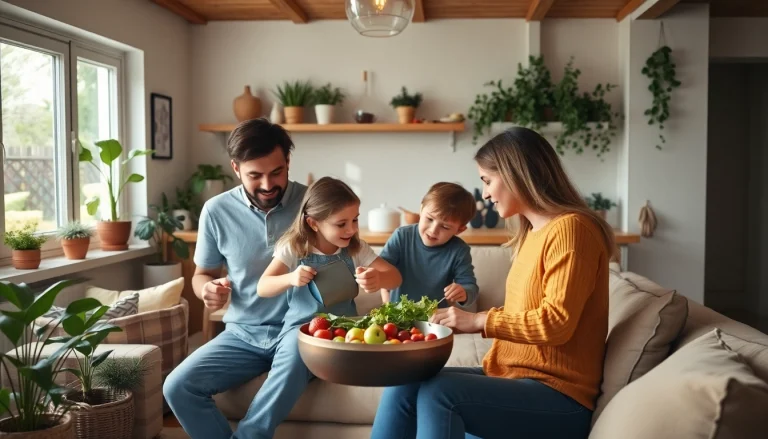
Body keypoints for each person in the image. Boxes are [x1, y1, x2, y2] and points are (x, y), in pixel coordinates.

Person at [371, 126, 616, 439]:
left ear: (516, 174)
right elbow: (527, 311)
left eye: (487, 180)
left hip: (559, 395)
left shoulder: (572, 230)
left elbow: (556, 324)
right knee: (407, 381)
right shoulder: (532, 235)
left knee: (441, 392)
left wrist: (478, 320)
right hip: (516, 378)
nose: (484, 193)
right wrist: (459, 321)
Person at [163, 119, 311, 439]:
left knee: (300, 349)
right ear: (236, 168)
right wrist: (207, 290)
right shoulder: (216, 211)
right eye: (255, 175)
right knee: (177, 387)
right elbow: (202, 274)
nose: (268, 184)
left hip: (300, 329)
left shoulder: (313, 203)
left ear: (288, 162)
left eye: (276, 172)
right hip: (243, 333)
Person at [258, 176, 401, 327]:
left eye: (355, 220)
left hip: (347, 327)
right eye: (341, 224)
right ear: (313, 224)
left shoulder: (357, 248)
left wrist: (379, 278)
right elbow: (263, 287)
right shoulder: (294, 247)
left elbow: (395, 278)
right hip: (300, 329)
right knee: (293, 351)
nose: (352, 230)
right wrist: (291, 278)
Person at [379, 182, 478, 309]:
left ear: (459, 230)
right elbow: (382, 268)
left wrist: (463, 292)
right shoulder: (402, 236)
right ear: (421, 210)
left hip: (436, 319)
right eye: (429, 219)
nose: (433, 230)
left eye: (445, 226)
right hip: (398, 318)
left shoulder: (459, 250)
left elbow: (470, 287)